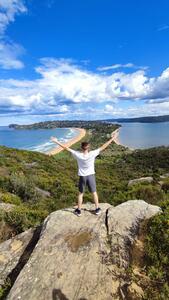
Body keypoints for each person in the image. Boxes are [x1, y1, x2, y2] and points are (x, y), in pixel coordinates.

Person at [50, 132, 115, 217]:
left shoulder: (78, 155)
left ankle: (79, 210)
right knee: (94, 192)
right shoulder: (92, 154)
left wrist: (56, 141)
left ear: (81, 148)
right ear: (88, 148)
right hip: (91, 175)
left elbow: (66, 148)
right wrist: (112, 138)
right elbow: (103, 146)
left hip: (82, 176)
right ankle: (97, 209)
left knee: (81, 193)